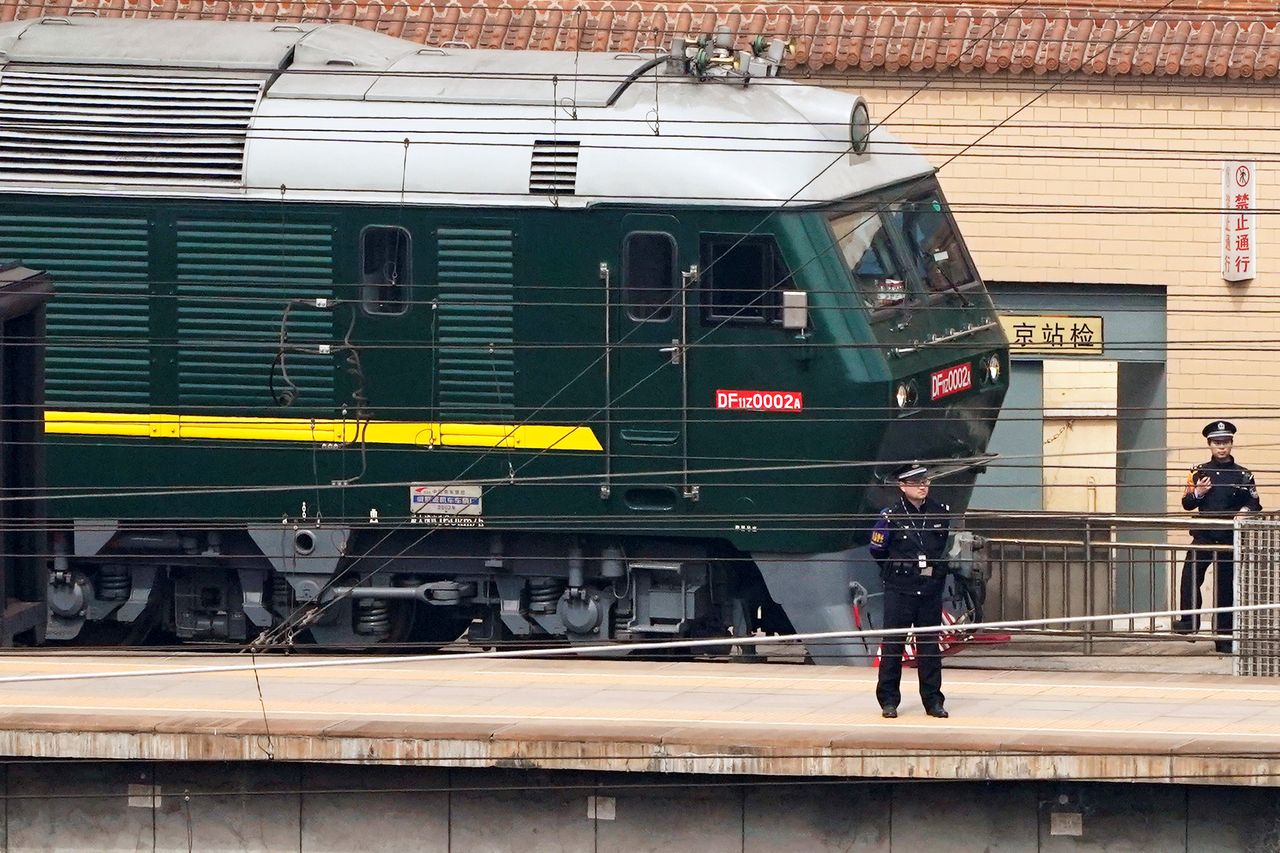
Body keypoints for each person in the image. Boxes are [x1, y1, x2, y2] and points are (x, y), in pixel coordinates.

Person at [869, 462, 952, 719]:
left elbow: (940, 547)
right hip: (900, 588)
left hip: (929, 588)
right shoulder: (890, 515)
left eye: (925, 481)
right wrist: (900, 570)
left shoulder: (940, 512)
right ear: (902, 486)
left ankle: (933, 701)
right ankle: (889, 701)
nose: (923, 486)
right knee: (893, 646)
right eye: (916, 482)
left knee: (929, 647)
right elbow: (877, 550)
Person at [1175, 420, 1262, 653]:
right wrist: (1199, 493)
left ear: (1231, 444)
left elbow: (1254, 503)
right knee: (1190, 578)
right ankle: (1189, 623)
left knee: (1226, 589)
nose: (1221, 447)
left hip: (1228, 539)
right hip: (1203, 536)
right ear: (1209, 444)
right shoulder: (1198, 471)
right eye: (1216, 443)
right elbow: (1186, 504)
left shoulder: (1244, 474)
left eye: (1225, 442)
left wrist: (1244, 512)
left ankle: (1224, 640)